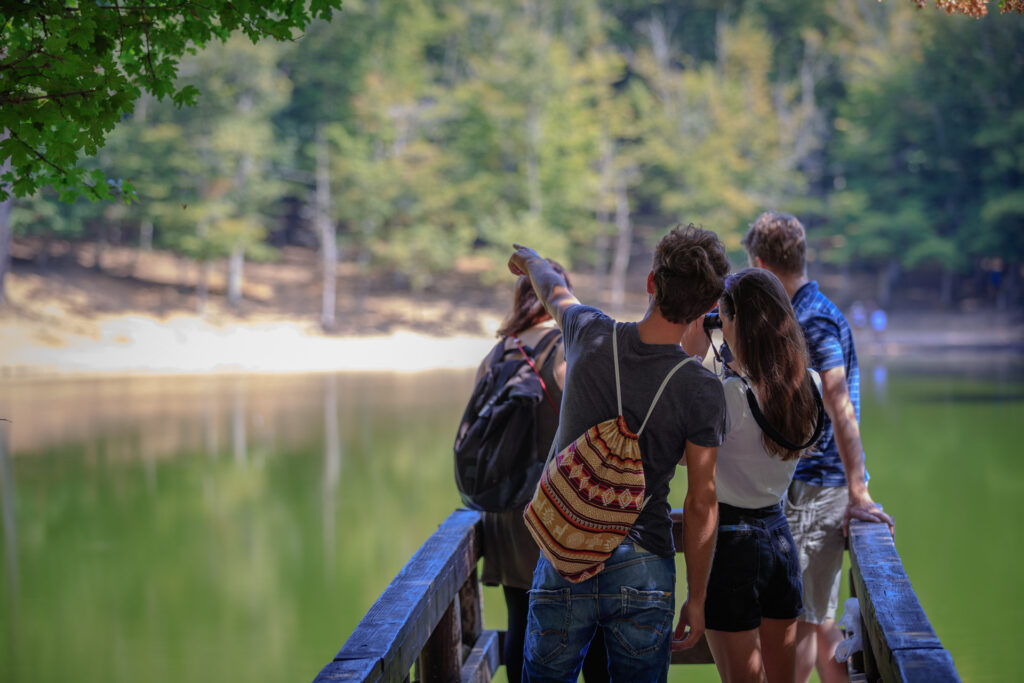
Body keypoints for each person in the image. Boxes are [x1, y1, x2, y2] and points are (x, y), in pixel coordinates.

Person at [508, 223, 730, 683]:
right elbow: (701, 501)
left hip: (565, 549)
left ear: (651, 282)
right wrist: (698, 596)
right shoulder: (700, 388)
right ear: (709, 306)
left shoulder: (588, 333)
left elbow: (555, 292)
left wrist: (532, 262)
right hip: (645, 560)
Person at [742, 212, 894, 683]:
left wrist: (857, 490)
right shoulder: (811, 310)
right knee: (817, 614)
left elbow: (838, 403)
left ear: (763, 265)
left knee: (801, 621)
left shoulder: (813, 320)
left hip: (815, 490)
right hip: (810, 488)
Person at [703, 268, 822, 683]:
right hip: (780, 538)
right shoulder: (811, 385)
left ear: (736, 321)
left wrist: (707, 352)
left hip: (732, 542)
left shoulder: (728, 395)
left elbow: (685, 460)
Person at [470, 259, 574, 683]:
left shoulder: (495, 355)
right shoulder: (567, 349)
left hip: (507, 508)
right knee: (577, 622)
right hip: (558, 506)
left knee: (520, 618)